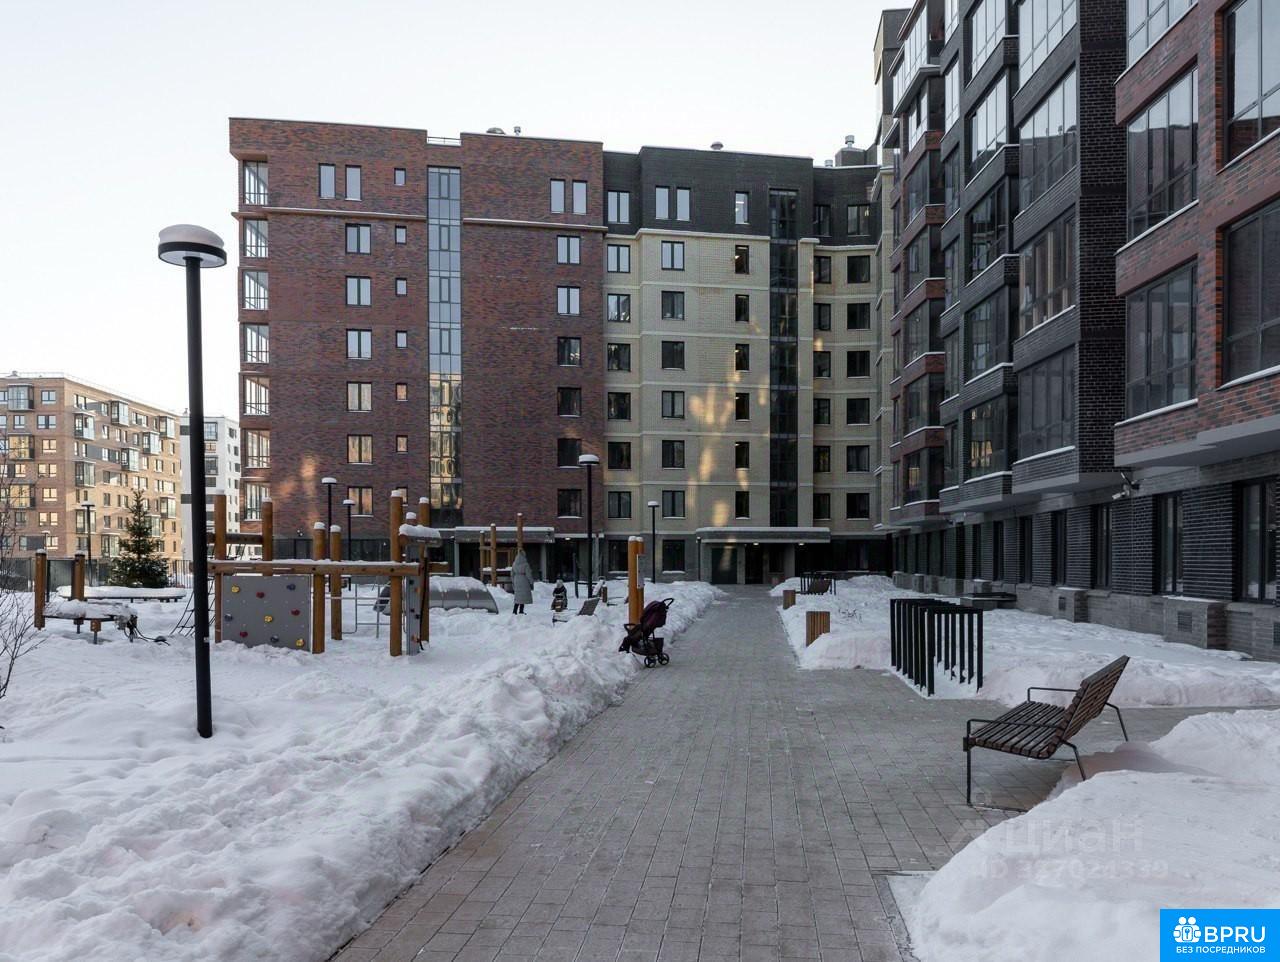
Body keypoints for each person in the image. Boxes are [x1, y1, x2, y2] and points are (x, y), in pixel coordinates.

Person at [510, 550, 534, 615]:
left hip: (516, 580)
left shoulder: (514, 564)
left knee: (517, 596)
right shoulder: (525, 564)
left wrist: (513, 581)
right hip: (524, 580)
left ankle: (515, 611)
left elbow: (512, 574)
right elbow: (528, 574)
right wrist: (531, 582)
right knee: (523, 596)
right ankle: (521, 611)